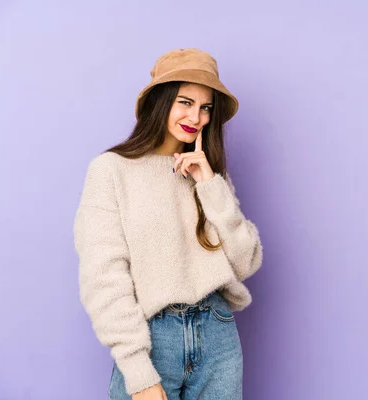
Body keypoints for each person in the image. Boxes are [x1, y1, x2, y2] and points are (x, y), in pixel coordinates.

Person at [73, 48, 263, 400]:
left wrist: (209, 184)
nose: (197, 117)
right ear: (161, 102)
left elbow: (246, 262)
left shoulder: (209, 175)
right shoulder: (111, 170)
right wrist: (138, 372)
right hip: (154, 339)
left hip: (218, 333)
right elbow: (104, 278)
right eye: (185, 102)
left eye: (206, 107)